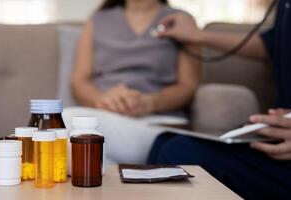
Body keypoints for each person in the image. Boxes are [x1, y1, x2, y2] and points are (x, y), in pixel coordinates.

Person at [148, 0, 291, 199]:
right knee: (164, 141)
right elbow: (272, 44)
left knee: (180, 153)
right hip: (282, 140)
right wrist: (197, 35)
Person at [63, 0, 200, 164]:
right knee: (69, 136)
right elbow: (79, 82)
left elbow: (188, 86)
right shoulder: (97, 21)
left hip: (160, 124)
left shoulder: (180, 20)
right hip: (109, 119)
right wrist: (105, 100)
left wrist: (150, 102)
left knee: (68, 122)